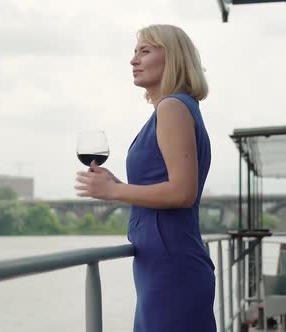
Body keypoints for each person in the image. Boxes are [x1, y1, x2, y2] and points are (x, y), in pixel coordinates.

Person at [75, 24, 216, 332]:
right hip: (163, 264)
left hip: (171, 267)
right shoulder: (176, 108)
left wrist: (115, 191)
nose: (133, 60)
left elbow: (182, 192)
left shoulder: (172, 107)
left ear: (173, 58)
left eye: (145, 51)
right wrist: (116, 185)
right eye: (135, 51)